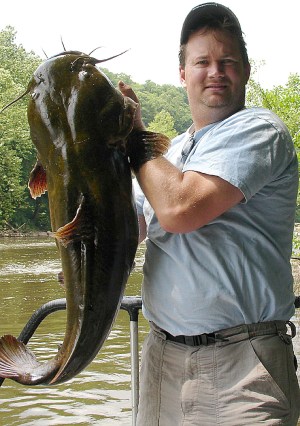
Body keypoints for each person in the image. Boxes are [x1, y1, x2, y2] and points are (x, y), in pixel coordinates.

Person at [119, 3, 300, 425]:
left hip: (245, 367)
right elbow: (133, 228)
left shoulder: (260, 129)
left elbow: (180, 208)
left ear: (247, 71)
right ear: (182, 73)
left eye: (227, 61)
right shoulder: (169, 151)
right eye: (202, 61)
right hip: (162, 358)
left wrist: (133, 136)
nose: (215, 71)